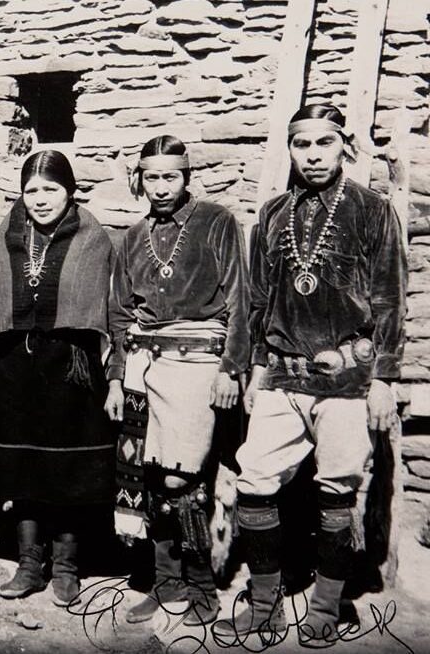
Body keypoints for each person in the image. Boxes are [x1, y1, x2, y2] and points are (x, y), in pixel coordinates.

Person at [212, 104, 406, 647]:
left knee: (337, 491)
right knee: (254, 484)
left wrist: (385, 379)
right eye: (303, 145)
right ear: (290, 149)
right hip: (281, 376)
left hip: (347, 378)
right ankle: (266, 605)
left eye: (324, 143)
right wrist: (251, 369)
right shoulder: (273, 214)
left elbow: (390, 299)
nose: (314, 154)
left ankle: (326, 606)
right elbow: (254, 302)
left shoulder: (372, 209)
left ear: (342, 145)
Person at [0, 150, 116, 607]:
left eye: (51, 189)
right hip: (17, 367)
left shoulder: (92, 235)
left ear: (70, 191)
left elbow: (104, 308)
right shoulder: (8, 234)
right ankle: (28, 563)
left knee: (67, 472)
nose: (40, 199)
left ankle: (65, 567)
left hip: (71, 369)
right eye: (32, 190)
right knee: (22, 469)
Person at [105, 135, 249, 627]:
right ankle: (164, 582)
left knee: (181, 479)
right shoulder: (131, 237)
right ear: (139, 179)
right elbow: (120, 317)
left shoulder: (217, 223)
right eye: (152, 177)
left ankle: (201, 584)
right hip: (144, 363)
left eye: (171, 176)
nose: (161, 187)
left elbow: (240, 301)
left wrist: (231, 367)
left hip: (197, 362)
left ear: (187, 177)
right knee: (147, 478)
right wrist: (116, 380)